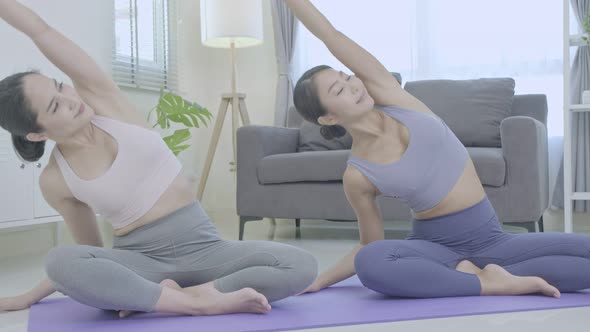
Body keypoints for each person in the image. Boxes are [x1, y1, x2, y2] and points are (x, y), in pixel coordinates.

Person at [0, 0, 317, 316]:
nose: (69, 100)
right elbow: (91, 255)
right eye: (55, 107)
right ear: (37, 134)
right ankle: (194, 304)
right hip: (141, 262)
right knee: (60, 261)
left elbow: (39, 30)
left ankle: (187, 295)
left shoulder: (102, 98)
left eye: (60, 87)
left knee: (301, 265)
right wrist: (31, 295)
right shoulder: (55, 179)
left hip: (206, 248)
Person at [286, 0, 590, 299]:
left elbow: (330, 35)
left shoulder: (390, 94)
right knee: (372, 263)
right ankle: (487, 283)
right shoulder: (358, 174)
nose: (352, 85)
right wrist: (322, 280)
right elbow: (369, 245)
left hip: (491, 238)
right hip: (434, 249)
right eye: (338, 90)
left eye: (346, 77)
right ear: (328, 117)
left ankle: (472, 273)